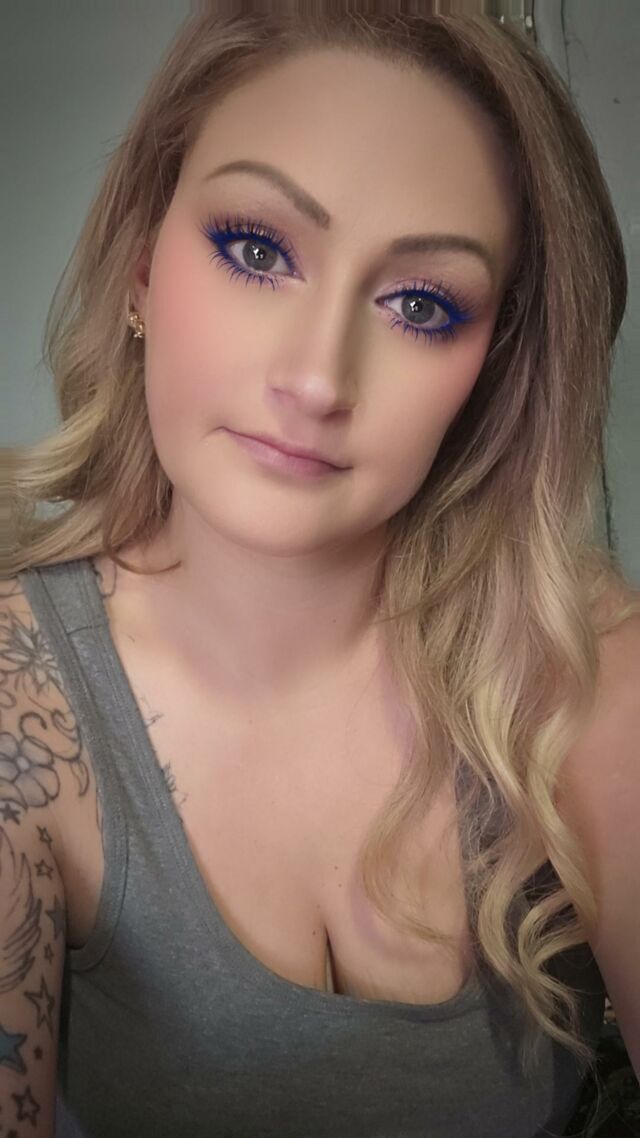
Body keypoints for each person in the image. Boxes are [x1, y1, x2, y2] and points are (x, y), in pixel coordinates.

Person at [1, 5, 639, 1136]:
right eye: (257, 250)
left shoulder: (579, 665)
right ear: (141, 268)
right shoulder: (20, 699)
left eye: (420, 305)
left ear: (492, 368)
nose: (316, 379)